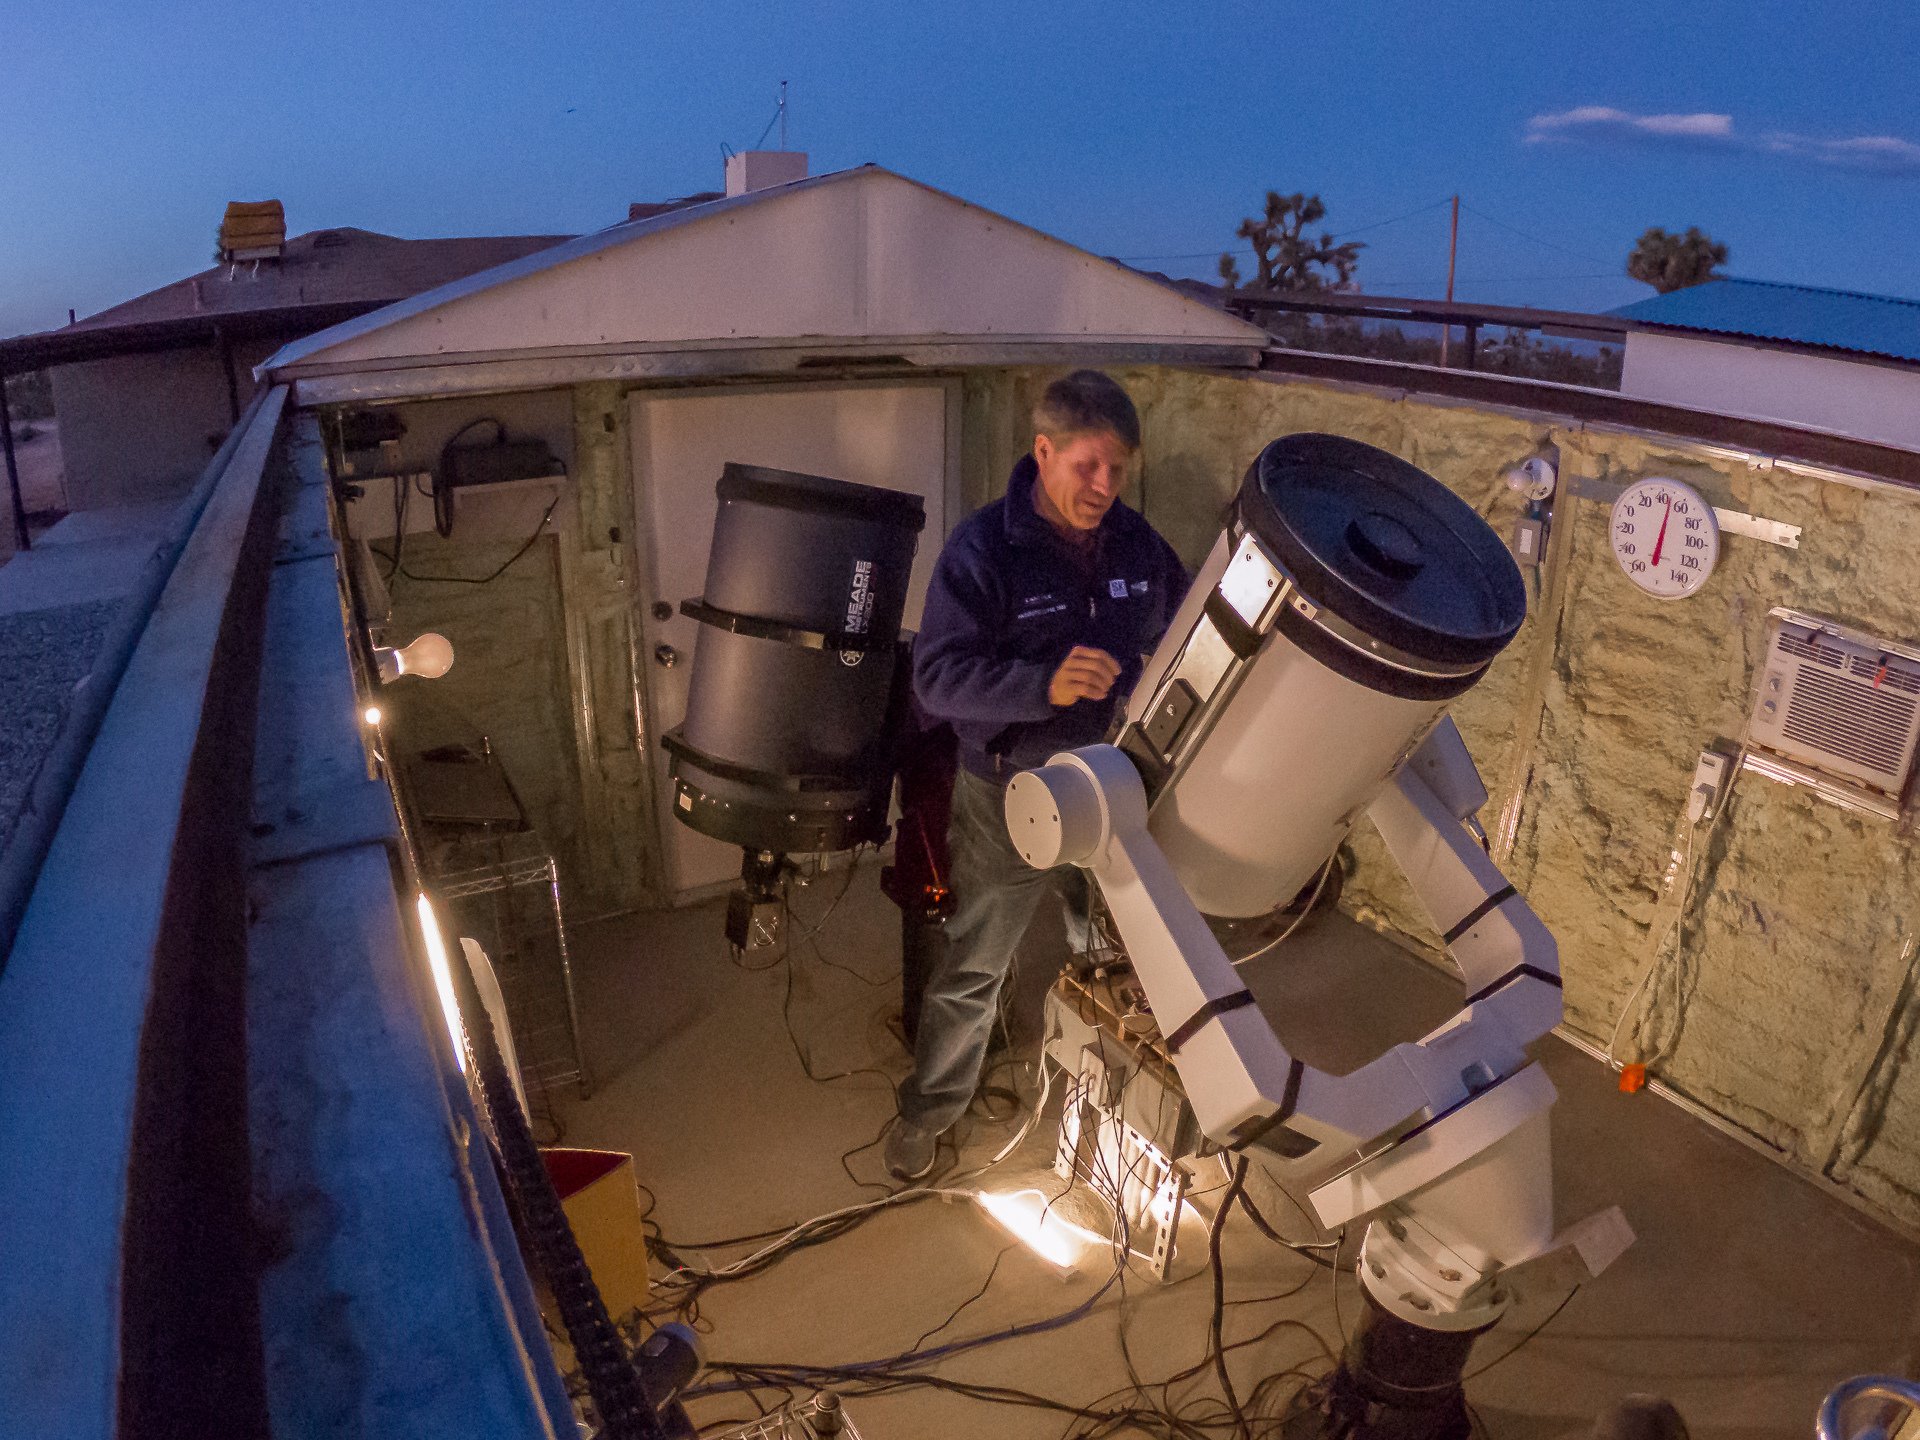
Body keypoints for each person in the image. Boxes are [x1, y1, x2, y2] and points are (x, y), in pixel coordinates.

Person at [885, 370, 1188, 1180]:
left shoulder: (1134, 543)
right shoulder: (984, 551)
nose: (1105, 486)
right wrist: (1040, 685)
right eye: (1088, 465)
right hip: (1009, 792)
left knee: (1115, 948)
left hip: (1115, 784)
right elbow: (936, 681)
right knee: (976, 964)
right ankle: (929, 1110)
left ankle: (1113, 1095)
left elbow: (1187, 623)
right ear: (1043, 450)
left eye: (1118, 469)